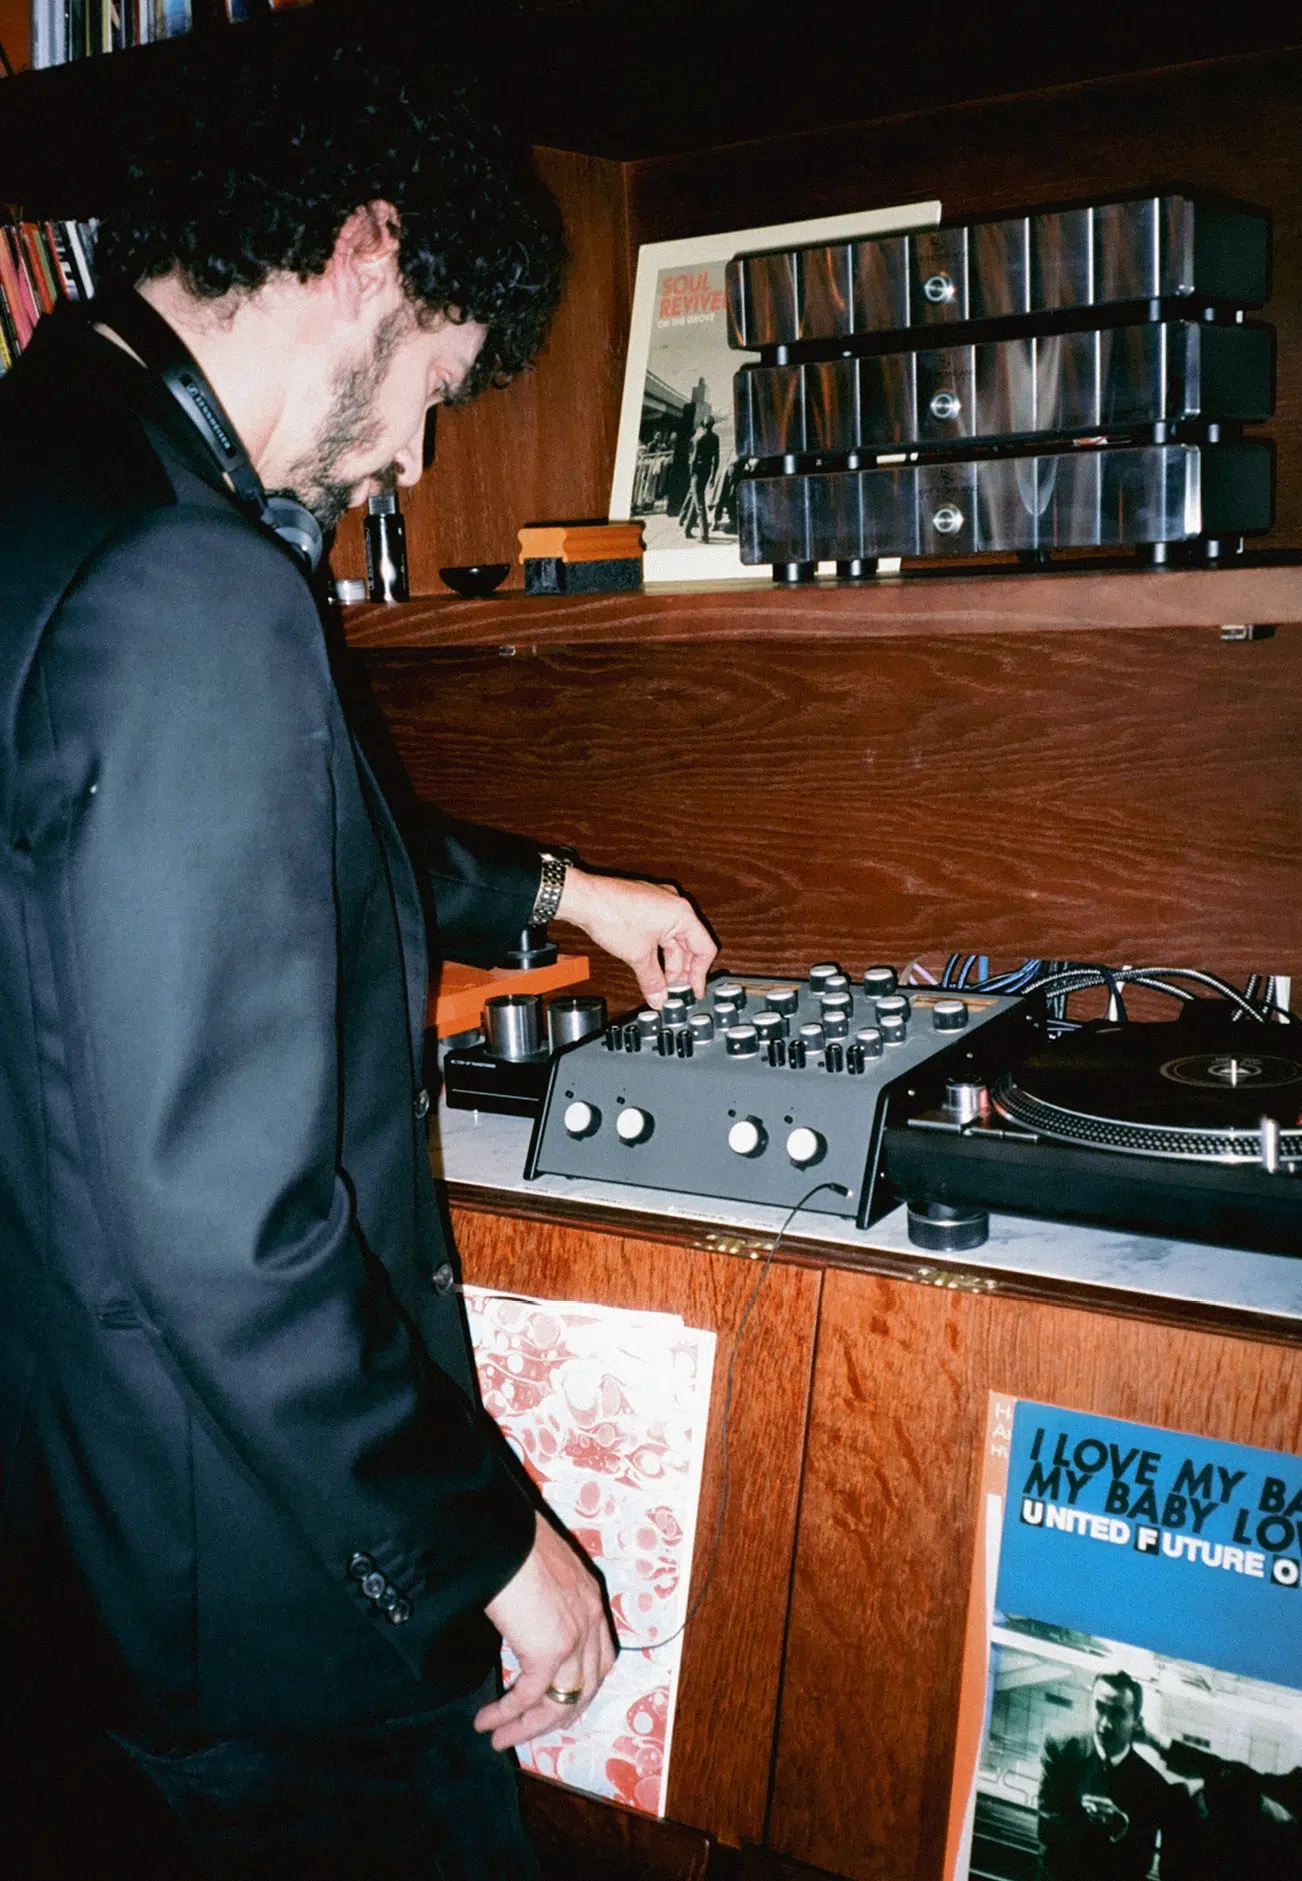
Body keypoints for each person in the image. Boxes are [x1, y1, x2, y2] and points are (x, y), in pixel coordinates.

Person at [0, 30, 715, 1881]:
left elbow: (212, 854)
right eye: (436, 390)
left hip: (70, 1549)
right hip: (252, 1605)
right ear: (368, 254)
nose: (407, 457)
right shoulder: (198, 577)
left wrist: (553, 888)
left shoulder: (45, 470)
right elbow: (224, 1222)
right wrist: (492, 1544)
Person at [1038, 1671, 1181, 1881]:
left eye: (1117, 1713)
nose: (1105, 1724)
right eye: (1099, 1708)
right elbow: (1048, 1831)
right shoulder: (1060, 1751)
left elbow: (1140, 1865)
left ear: (1136, 1722)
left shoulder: (1153, 1787)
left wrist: (1121, 1830)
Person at [680, 413, 721, 541]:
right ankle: (687, 529)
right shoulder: (715, 438)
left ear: (703, 425)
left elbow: (693, 459)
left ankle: (704, 535)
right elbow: (716, 458)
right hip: (707, 471)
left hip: (697, 472)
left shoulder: (699, 438)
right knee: (695, 498)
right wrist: (713, 476)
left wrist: (691, 474)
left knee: (699, 504)